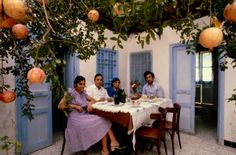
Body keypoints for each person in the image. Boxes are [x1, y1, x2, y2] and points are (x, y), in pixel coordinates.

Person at [58, 75, 110, 155]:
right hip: (74, 118)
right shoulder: (71, 93)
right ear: (76, 84)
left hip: (84, 115)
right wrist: (74, 106)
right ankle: (104, 148)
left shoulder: (84, 93)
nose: (82, 86)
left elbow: (93, 100)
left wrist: (90, 103)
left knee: (103, 119)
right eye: (80, 84)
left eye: (83, 84)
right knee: (98, 121)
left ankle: (104, 150)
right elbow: (60, 106)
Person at [86, 73, 124, 151]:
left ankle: (114, 141)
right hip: (93, 111)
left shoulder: (103, 90)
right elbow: (88, 101)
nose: (99, 81)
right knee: (105, 119)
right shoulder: (90, 89)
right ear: (94, 80)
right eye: (98, 80)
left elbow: (108, 98)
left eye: (101, 80)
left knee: (113, 117)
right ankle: (112, 142)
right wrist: (99, 100)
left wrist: (111, 98)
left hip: (102, 110)